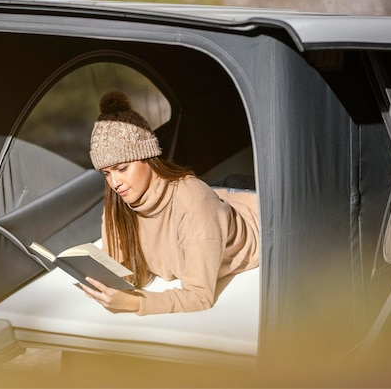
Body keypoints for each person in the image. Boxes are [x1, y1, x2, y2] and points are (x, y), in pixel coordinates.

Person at [81, 91, 259, 315]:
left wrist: (135, 303)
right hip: (216, 200)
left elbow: (199, 296)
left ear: (148, 157)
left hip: (254, 208)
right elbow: (128, 271)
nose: (115, 182)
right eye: (106, 173)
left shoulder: (193, 201)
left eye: (122, 168)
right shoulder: (118, 202)